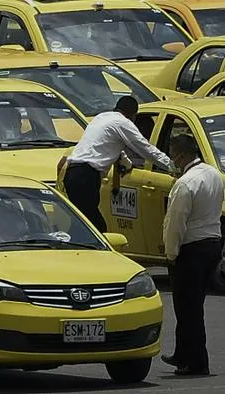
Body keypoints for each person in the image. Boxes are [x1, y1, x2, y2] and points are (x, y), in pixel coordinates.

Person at [161, 134, 224, 376]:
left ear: (182, 155)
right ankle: (182, 354)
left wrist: (171, 253)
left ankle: (197, 362)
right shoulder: (213, 174)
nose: (173, 160)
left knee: (188, 310)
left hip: (192, 249)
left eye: (174, 155)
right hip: (212, 245)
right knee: (192, 306)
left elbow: (175, 223)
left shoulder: (185, 183)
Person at [63, 96, 173, 232]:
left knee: (82, 225)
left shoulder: (101, 118)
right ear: (133, 115)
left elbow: (109, 148)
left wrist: (127, 164)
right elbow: (145, 149)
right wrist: (172, 166)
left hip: (72, 173)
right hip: (86, 177)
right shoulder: (123, 123)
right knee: (95, 228)